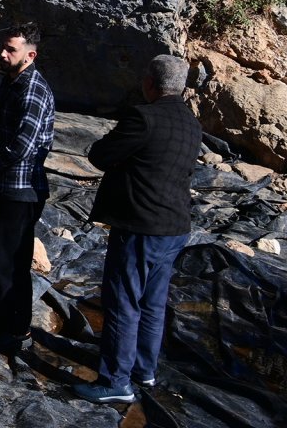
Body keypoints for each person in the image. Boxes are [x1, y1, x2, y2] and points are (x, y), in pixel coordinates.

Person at [72, 55, 202, 404]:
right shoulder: (192, 123)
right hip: (175, 226)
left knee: (123, 302)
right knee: (154, 303)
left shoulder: (143, 117)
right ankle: (144, 370)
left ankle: (116, 380)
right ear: (182, 86)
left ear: (150, 83)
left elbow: (100, 155)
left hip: (141, 226)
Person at [0, 23, 55, 352]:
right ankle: (0, 317)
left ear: (30, 55)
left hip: (22, 189)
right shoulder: (11, 82)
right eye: (3, 47)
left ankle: (16, 330)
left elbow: (23, 144)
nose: (3, 53)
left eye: (11, 49)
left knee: (13, 261)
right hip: (5, 185)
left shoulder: (33, 89)